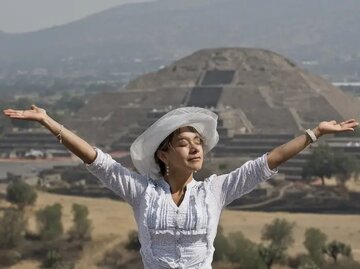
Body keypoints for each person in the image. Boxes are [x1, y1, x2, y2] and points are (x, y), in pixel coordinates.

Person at [3, 105, 358, 268]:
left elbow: (268, 161)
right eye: (185, 143)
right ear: (164, 154)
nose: (195, 148)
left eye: (198, 142)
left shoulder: (215, 190)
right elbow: (98, 161)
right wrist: (50, 122)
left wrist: (315, 134)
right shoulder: (142, 191)